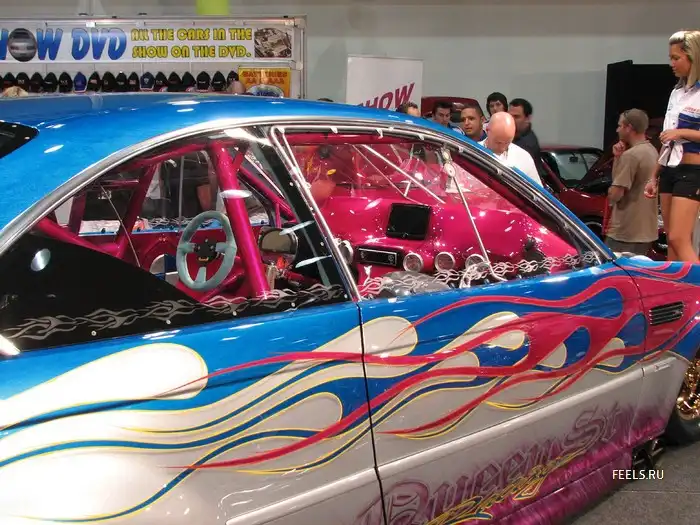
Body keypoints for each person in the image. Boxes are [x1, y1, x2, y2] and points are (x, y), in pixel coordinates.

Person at [644, 30, 700, 262]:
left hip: (693, 172)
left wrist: (681, 133)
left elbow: (674, 134)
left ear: (693, 57)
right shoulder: (676, 93)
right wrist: (653, 176)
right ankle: (676, 284)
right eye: (671, 58)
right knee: (672, 241)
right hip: (669, 169)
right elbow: (667, 140)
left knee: (679, 238)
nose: (671, 64)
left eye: (676, 58)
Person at [605, 109, 659, 255]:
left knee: (613, 268)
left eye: (619, 126)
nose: (617, 130)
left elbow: (615, 195)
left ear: (628, 127)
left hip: (625, 231)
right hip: (645, 231)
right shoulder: (652, 151)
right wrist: (618, 158)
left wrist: (610, 192)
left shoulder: (631, 156)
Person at [480, 112, 542, 187]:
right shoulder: (472, 152)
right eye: (499, 143)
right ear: (487, 130)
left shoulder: (524, 157)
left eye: (507, 143)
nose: (502, 148)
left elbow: (537, 189)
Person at [509, 98, 545, 177]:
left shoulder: (527, 144)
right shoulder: (513, 136)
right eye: (510, 116)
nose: (511, 119)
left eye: (516, 117)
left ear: (527, 118)